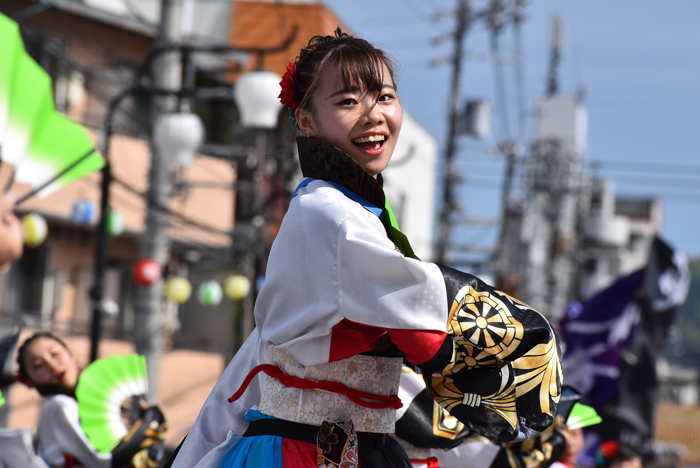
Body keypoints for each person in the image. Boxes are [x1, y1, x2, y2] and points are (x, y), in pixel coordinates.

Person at [170, 28, 562, 468]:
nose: (373, 115)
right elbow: (424, 313)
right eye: (347, 101)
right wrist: (525, 342)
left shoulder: (347, 212)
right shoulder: (328, 214)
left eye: (385, 97)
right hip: (303, 453)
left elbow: (258, 355)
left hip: (346, 449)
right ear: (305, 121)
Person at [16, 331, 166, 468]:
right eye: (38, 365)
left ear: (70, 353)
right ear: (30, 381)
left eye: (55, 354)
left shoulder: (75, 405)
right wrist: (144, 429)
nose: (51, 365)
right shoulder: (58, 405)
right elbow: (102, 463)